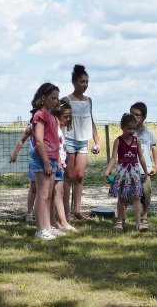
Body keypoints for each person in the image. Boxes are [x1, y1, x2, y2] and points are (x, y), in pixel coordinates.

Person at [62, 65, 101, 222]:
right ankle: (65, 213)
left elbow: (90, 120)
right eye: (81, 82)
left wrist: (97, 141)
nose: (84, 85)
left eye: (87, 82)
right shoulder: (66, 100)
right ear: (74, 82)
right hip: (69, 140)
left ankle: (77, 210)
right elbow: (61, 121)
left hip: (83, 142)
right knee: (69, 176)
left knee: (80, 176)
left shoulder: (89, 101)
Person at [104, 113, 149, 232]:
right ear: (122, 127)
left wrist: (145, 172)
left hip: (134, 172)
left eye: (134, 128)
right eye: (129, 128)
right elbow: (113, 158)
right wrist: (107, 171)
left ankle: (138, 223)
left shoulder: (136, 140)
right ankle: (119, 221)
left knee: (136, 197)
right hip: (122, 172)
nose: (132, 131)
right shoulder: (118, 141)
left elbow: (141, 157)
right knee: (122, 197)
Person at [30, 82, 61, 240]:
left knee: (49, 194)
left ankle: (48, 226)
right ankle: (40, 229)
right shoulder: (40, 115)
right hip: (43, 159)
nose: (56, 101)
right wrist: (47, 162)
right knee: (42, 195)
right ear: (43, 98)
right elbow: (40, 141)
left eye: (57, 98)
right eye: (53, 98)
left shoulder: (52, 117)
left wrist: (57, 160)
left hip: (53, 158)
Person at [50, 100, 79, 233]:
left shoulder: (60, 128)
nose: (68, 119)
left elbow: (60, 145)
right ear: (57, 114)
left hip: (60, 163)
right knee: (55, 193)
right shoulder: (54, 127)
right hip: (56, 163)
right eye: (65, 116)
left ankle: (58, 222)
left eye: (69, 117)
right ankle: (60, 222)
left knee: (58, 193)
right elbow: (54, 146)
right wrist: (59, 160)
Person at [130, 102, 157, 230]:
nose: (134, 117)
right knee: (126, 195)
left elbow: (154, 149)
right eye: (132, 114)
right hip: (130, 169)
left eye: (137, 115)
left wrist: (156, 166)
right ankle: (122, 217)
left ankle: (144, 216)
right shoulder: (128, 132)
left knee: (146, 193)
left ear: (144, 117)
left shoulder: (148, 133)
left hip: (145, 170)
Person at [9, 123, 36, 222]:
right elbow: (22, 140)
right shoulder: (32, 126)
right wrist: (15, 154)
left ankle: (43, 214)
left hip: (49, 159)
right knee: (34, 187)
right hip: (35, 160)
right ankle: (29, 213)